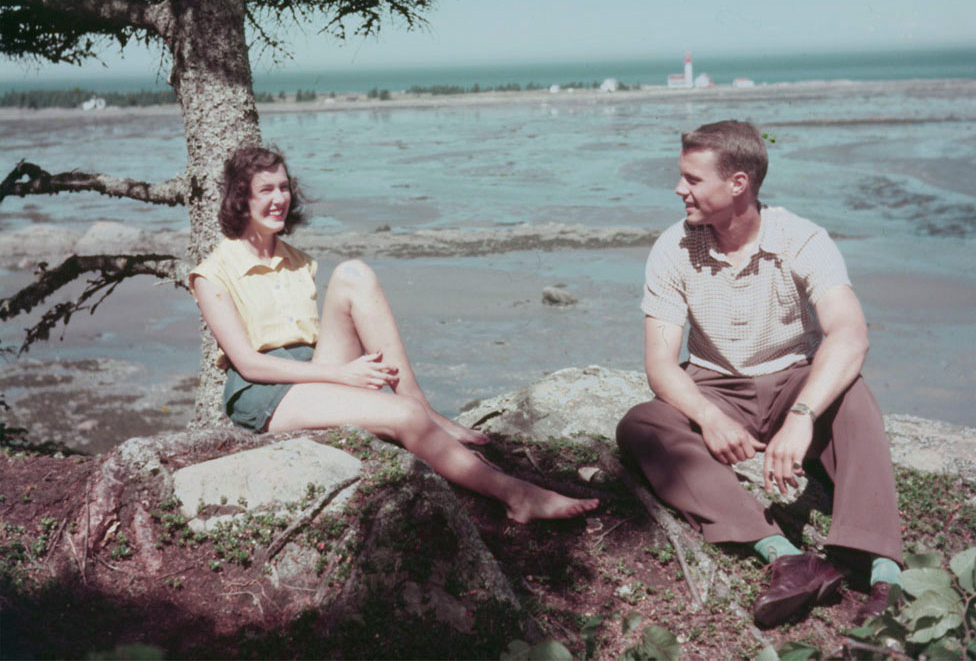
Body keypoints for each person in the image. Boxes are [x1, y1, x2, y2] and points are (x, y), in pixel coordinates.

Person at [189, 145, 598, 524]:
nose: (279, 199)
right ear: (241, 198)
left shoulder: (296, 261)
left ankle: (424, 406)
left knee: (354, 273)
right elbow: (247, 363)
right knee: (402, 418)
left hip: (310, 370)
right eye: (265, 190)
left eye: (283, 187)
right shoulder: (212, 273)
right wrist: (344, 376)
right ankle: (517, 495)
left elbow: (316, 346)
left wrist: (338, 373)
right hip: (263, 393)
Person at [616, 120, 902, 627]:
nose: (679, 189)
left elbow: (850, 334)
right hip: (715, 387)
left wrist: (802, 417)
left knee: (854, 396)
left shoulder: (802, 238)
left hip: (794, 378)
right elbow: (660, 364)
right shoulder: (673, 247)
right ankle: (788, 557)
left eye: (692, 179)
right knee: (641, 424)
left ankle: (883, 574)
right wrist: (708, 418)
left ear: (738, 184)